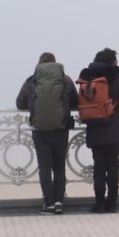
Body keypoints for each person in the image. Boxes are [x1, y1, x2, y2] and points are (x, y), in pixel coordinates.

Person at [15, 52, 79, 214]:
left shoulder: (32, 81)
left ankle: (48, 203)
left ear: (39, 64)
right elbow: (76, 102)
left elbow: (19, 103)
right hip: (61, 129)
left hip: (40, 130)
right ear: (55, 63)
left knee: (44, 168)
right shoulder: (65, 80)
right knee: (59, 167)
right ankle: (59, 202)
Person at [79, 47, 119, 213]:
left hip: (94, 127)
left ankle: (99, 203)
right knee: (113, 166)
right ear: (113, 62)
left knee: (98, 165)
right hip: (113, 128)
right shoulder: (117, 79)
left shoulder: (87, 78)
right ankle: (112, 203)